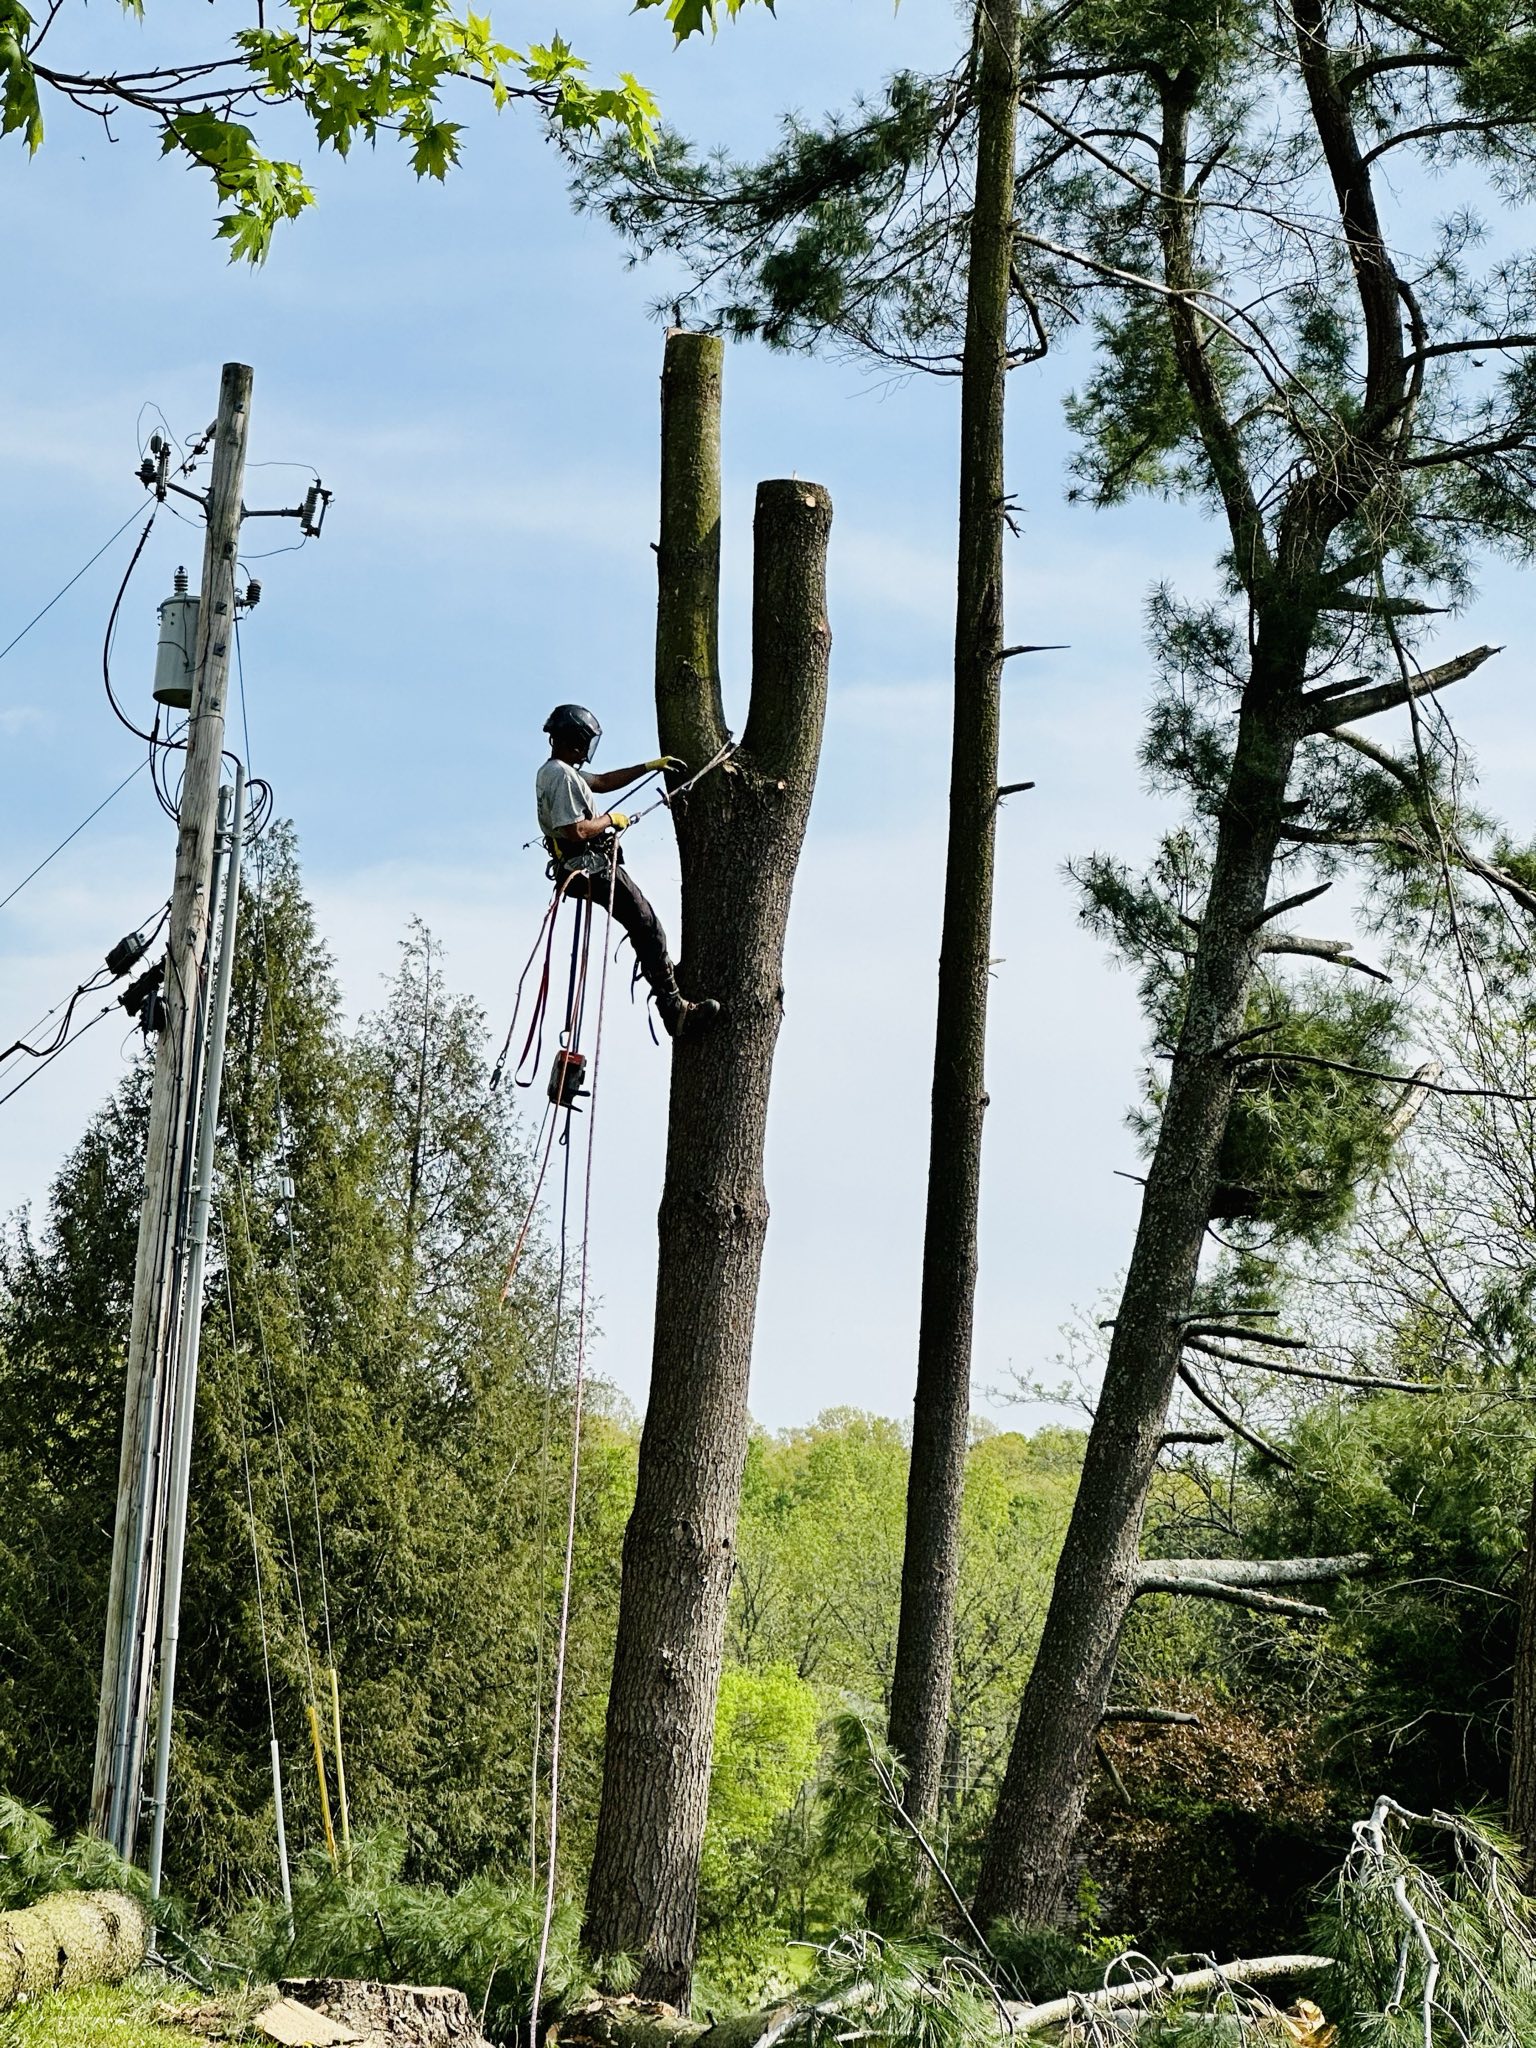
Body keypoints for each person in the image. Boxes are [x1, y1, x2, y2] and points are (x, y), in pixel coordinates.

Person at [535, 703, 719, 1039]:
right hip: (587, 867)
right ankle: (674, 1009)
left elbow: (603, 781)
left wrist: (649, 767)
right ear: (575, 741)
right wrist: (610, 820)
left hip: (585, 866)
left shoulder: (563, 772)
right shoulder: (559, 775)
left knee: (643, 924)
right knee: (646, 924)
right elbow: (575, 831)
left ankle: (664, 979)